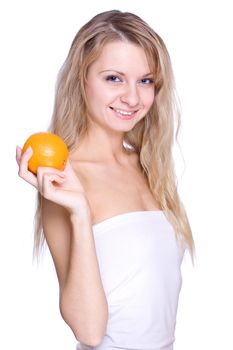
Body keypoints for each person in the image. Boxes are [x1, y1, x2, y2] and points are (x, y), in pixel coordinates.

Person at [16, 9, 194, 350]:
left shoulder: (148, 166)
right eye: (114, 78)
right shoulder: (64, 180)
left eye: (145, 80)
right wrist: (80, 212)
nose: (132, 97)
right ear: (81, 79)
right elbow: (89, 331)